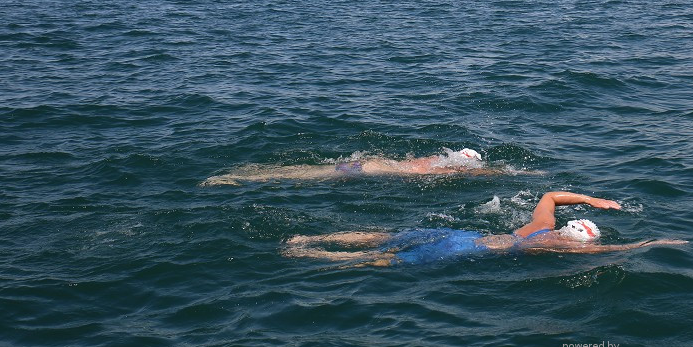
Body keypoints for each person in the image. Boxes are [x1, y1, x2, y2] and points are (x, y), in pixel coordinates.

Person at [282, 191, 687, 266]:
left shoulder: (538, 227)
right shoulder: (559, 247)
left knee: (385, 237)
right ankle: (313, 255)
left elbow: (549, 195)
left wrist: (591, 199)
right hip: (465, 252)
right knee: (383, 261)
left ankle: (311, 240)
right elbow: (613, 251)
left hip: (461, 236)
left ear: (572, 226)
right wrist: (654, 242)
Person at [202, 148, 507, 186]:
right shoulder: (440, 170)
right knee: (306, 177)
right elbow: (484, 172)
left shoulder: (432, 159)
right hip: (367, 170)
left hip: (366, 163)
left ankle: (241, 174)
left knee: (302, 172)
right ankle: (231, 179)